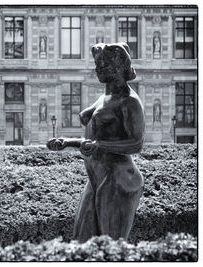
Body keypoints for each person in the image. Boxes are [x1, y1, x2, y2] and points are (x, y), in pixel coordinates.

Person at [47, 42, 145, 243]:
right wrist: (67, 142)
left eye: (103, 66)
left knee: (110, 247)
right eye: (97, 65)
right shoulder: (105, 97)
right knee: (81, 242)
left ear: (118, 68)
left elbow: (136, 144)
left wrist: (100, 146)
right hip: (97, 177)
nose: (98, 69)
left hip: (119, 180)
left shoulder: (130, 101)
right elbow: (93, 141)